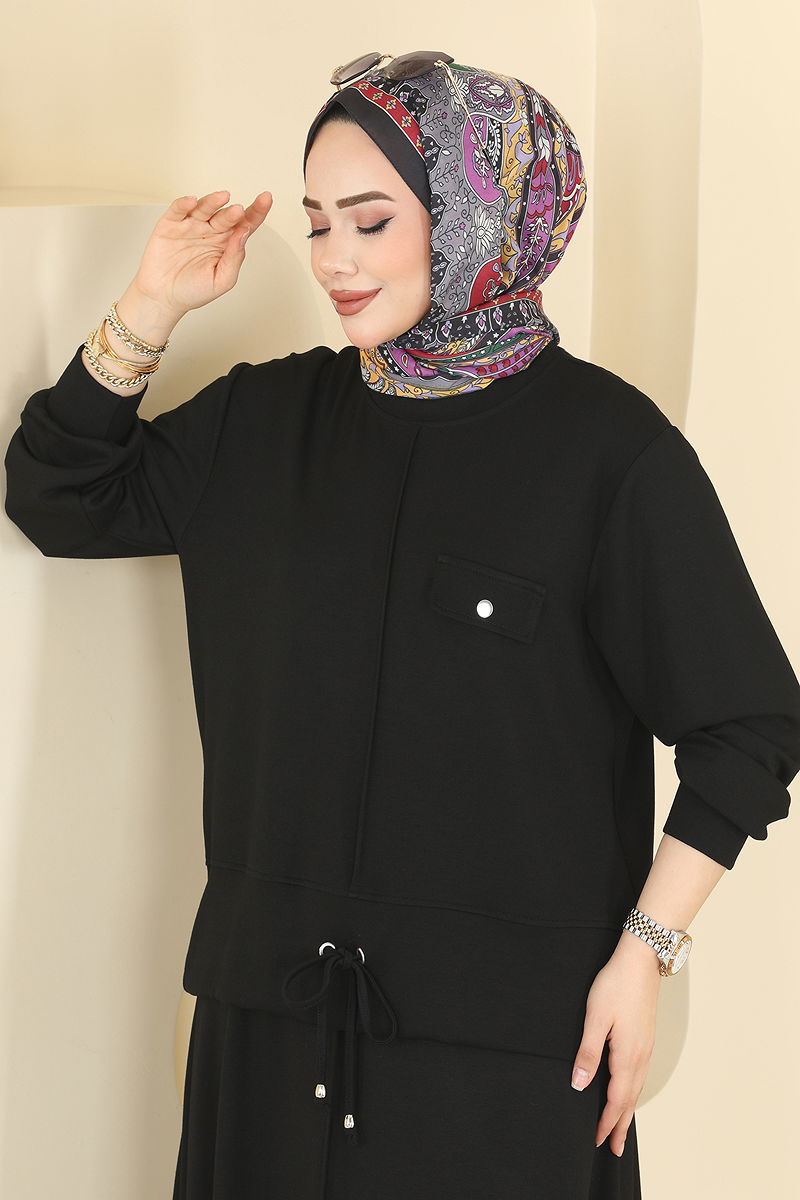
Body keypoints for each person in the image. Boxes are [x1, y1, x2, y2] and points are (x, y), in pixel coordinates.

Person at [4, 50, 800, 1200]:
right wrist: (152, 305)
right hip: (267, 1030)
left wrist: (644, 957)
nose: (333, 259)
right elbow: (58, 498)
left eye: (371, 221)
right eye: (316, 221)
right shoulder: (266, 421)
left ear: (480, 217)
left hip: (499, 1058)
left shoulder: (607, 453)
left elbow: (747, 727)